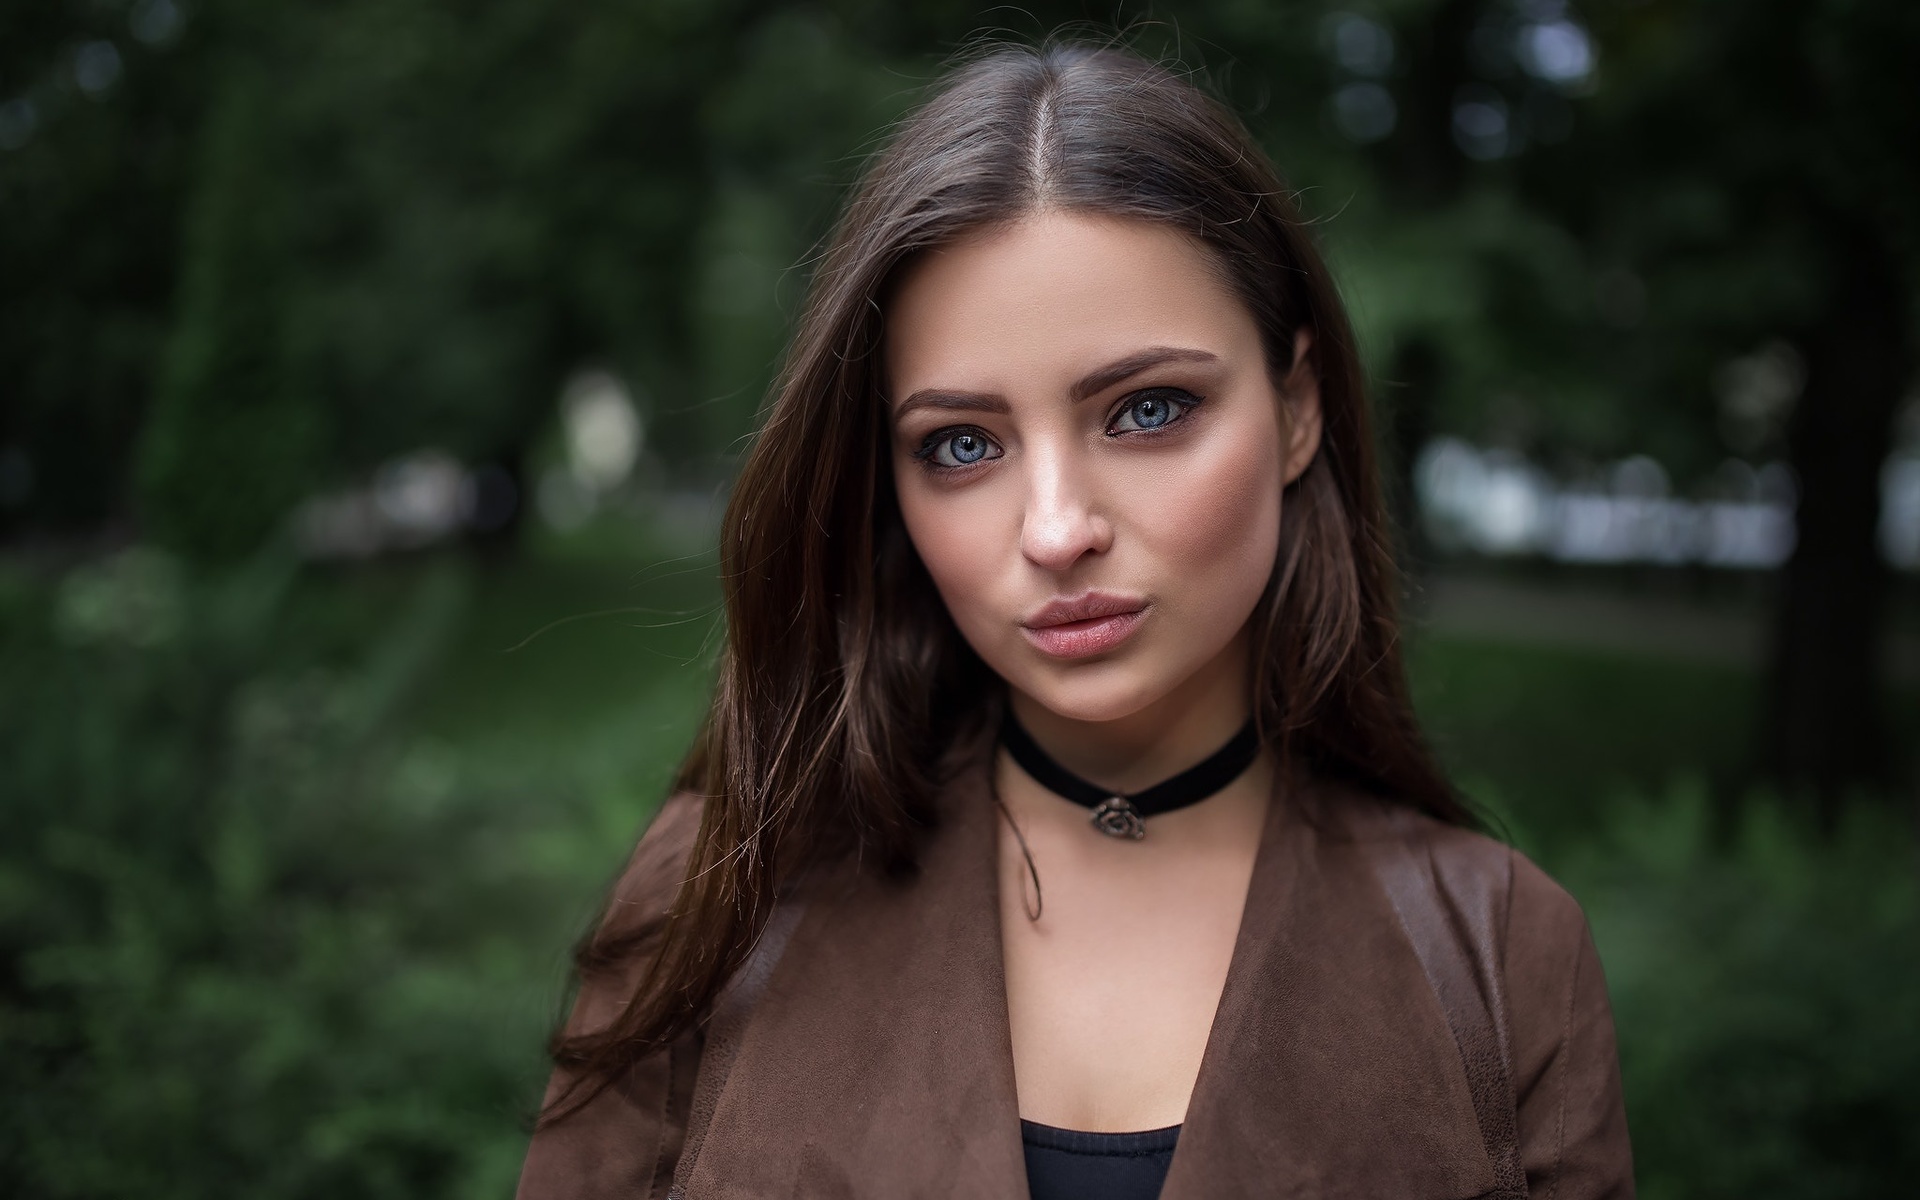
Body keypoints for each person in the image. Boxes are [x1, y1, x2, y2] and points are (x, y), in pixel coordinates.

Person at [516, 38, 1633, 1200]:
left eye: (1148, 410)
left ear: (1296, 408)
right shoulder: (717, 895)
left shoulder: (1501, 956)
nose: (1056, 530)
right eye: (961, 444)